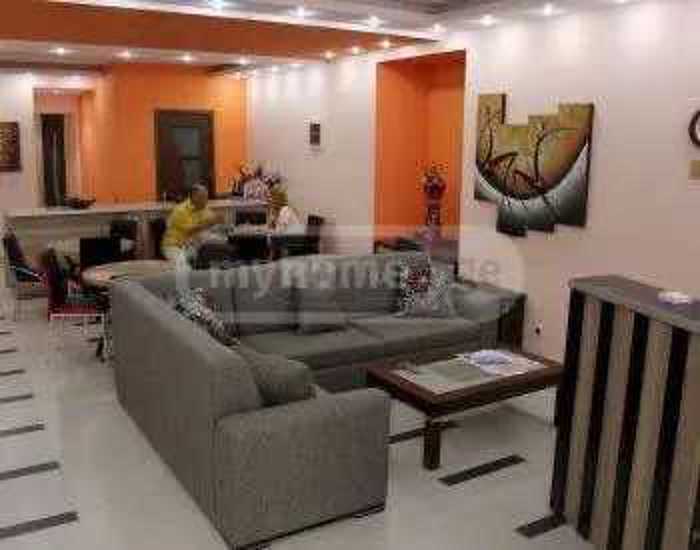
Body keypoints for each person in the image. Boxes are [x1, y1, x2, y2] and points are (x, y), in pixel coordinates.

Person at [162, 184, 223, 270]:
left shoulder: (203, 208)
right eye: (202, 197)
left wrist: (219, 225)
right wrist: (209, 223)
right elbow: (189, 230)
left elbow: (212, 221)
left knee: (218, 253)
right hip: (175, 247)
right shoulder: (180, 210)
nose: (205, 200)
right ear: (194, 197)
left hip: (192, 246)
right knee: (184, 269)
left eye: (206, 197)